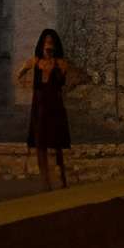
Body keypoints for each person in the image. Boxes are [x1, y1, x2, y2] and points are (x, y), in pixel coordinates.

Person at [14, 27, 84, 189]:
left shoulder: (61, 63)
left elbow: (63, 81)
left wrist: (55, 66)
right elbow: (19, 75)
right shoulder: (34, 61)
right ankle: (45, 181)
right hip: (39, 106)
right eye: (46, 41)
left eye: (51, 42)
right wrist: (27, 86)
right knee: (40, 143)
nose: (48, 45)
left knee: (57, 142)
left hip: (55, 105)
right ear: (42, 44)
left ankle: (61, 179)